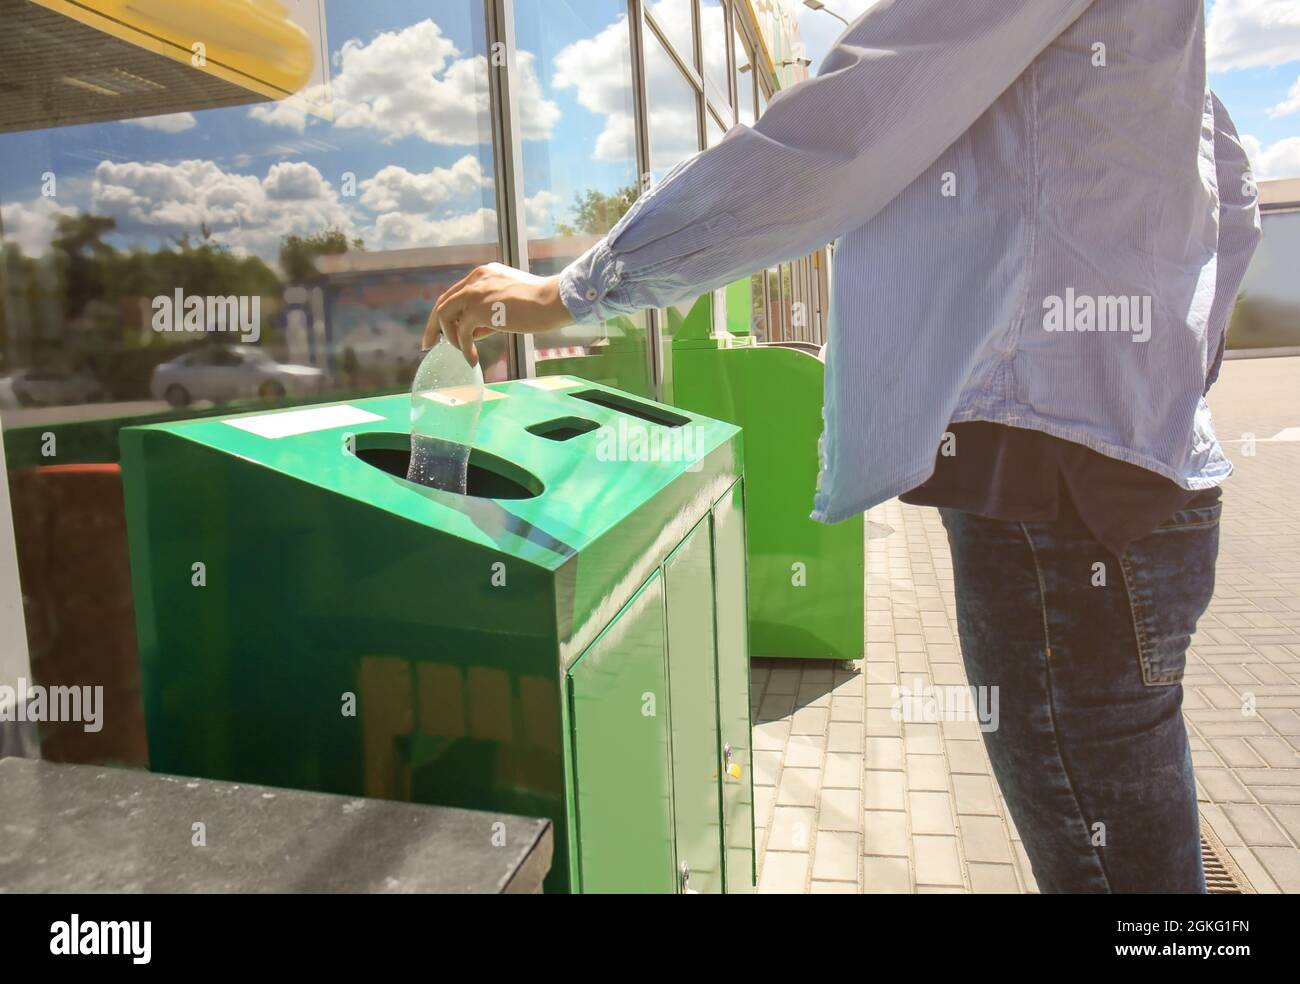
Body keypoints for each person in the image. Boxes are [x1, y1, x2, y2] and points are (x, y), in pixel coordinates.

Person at [424, 0, 1261, 893]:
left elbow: (841, 142)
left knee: (1106, 870)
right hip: (1134, 473)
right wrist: (1161, 381)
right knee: (1136, 847)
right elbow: (1234, 199)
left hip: (1051, 491)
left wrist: (575, 291)